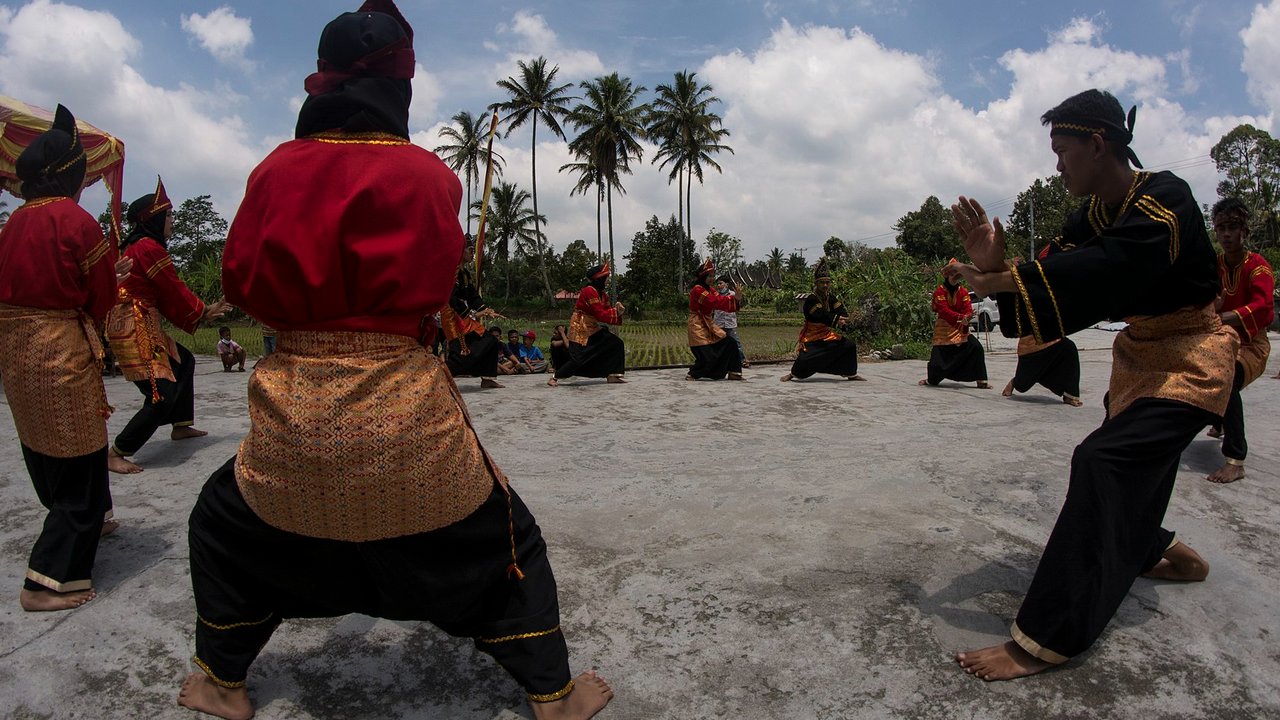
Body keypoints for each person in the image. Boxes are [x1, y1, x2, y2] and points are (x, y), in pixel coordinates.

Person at [178, 4, 612, 719]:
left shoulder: (273, 171)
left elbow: (242, 284)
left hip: (293, 424)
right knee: (512, 538)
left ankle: (223, 683)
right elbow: (438, 291)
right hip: (411, 424)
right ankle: (552, 695)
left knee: (219, 523)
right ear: (399, 89)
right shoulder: (431, 178)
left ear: (320, 84)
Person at [947, 89, 1236, 682]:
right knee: (1133, 465)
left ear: (1097, 144)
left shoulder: (1165, 199)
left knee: (1104, 461)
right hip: (1139, 361)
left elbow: (1108, 268)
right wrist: (997, 269)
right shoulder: (1091, 216)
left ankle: (1044, 641)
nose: (1056, 165)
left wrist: (1001, 277)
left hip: (1192, 356)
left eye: (1062, 151)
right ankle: (1157, 551)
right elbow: (1061, 270)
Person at [0, 104, 119, 612]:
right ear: (71, 172)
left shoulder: (10, 227)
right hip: (58, 347)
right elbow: (102, 297)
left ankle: (87, 520)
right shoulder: (74, 220)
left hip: (14, 349)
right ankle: (48, 579)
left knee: (43, 445)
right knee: (79, 453)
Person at [105, 177, 230, 472]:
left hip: (142, 321)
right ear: (154, 218)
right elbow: (171, 288)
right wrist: (203, 311)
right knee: (160, 393)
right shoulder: (147, 248)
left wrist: (200, 311)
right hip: (135, 324)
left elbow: (165, 292)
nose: (172, 220)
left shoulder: (141, 246)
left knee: (184, 362)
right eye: (169, 215)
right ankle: (117, 451)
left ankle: (181, 425)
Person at [1204, 197, 1273, 483]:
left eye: (1233, 227)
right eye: (1221, 228)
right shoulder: (1214, 264)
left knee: (1227, 377)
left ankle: (1235, 459)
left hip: (1251, 346)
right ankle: (1219, 420)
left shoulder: (1258, 266)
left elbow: (1264, 305)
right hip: (1220, 340)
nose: (1226, 234)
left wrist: (1224, 316)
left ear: (1245, 231)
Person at [1000, 249, 1083, 406]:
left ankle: (1070, 394)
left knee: (1068, 348)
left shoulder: (1048, 284)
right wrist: (1008, 265)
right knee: (1023, 385)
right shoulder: (1022, 285)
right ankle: (1015, 382)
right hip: (1030, 340)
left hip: (1050, 336)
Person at [781, 259, 863, 382]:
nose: (825, 285)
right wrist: (837, 320)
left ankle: (850, 373)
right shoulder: (811, 300)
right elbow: (821, 315)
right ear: (816, 284)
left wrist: (845, 320)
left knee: (849, 346)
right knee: (804, 359)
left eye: (827, 283)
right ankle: (793, 374)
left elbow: (840, 309)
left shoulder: (831, 298)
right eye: (822, 283)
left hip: (826, 334)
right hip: (811, 336)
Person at [549, 263, 626, 386]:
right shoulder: (589, 291)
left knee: (616, 343)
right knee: (578, 358)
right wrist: (616, 312)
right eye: (606, 277)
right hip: (580, 326)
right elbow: (600, 314)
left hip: (592, 326)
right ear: (600, 278)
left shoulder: (602, 294)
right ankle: (555, 377)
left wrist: (618, 312)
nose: (608, 280)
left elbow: (606, 311)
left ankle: (612, 374)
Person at [919, 262, 990, 388]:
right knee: (938, 360)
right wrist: (960, 317)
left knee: (976, 348)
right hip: (944, 329)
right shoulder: (939, 292)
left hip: (961, 328)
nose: (956, 277)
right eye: (953, 274)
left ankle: (981, 380)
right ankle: (932, 379)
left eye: (958, 274)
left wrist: (967, 316)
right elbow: (943, 311)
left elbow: (967, 308)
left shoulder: (963, 292)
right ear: (947, 276)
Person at [440, 268, 504, 388]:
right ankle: (438, 376)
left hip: (465, 318)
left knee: (490, 340)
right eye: (469, 249)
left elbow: (472, 296)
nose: (472, 252)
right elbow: (451, 298)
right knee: (462, 354)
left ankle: (487, 378)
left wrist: (485, 309)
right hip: (453, 318)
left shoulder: (463, 273)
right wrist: (472, 314)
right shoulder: (450, 270)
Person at [686, 259, 744, 381]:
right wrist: (734, 298)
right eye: (709, 276)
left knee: (730, 343)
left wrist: (736, 299)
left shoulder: (710, 289)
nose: (712, 279)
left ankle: (734, 372)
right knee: (708, 355)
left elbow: (719, 300)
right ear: (703, 276)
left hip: (709, 323)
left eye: (713, 276)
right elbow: (714, 302)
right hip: (697, 325)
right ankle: (694, 374)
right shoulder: (697, 290)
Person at [714, 275, 747, 367]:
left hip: (730, 323)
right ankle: (719, 362)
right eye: (717, 284)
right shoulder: (715, 295)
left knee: (736, 343)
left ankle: (742, 360)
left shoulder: (733, 294)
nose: (718, 285)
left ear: (726, 285)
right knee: (718, 344)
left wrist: (739, 295)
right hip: (718, 323)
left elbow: (738, 301)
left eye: (720, 283)